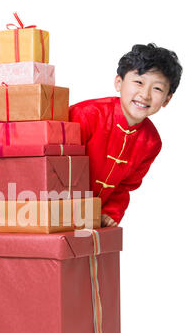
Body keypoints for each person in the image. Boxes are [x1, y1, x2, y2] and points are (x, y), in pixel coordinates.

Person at [69, 43, 182, 227]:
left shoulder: (151, 142)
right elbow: (54, 165)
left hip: (92, 219)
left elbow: (125, 187)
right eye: (138, 82)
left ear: (167, 99)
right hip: (52, 205)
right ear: (119, 82)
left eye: (157, 89)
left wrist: (109, 212)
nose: (145, 95)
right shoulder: (86, 114)